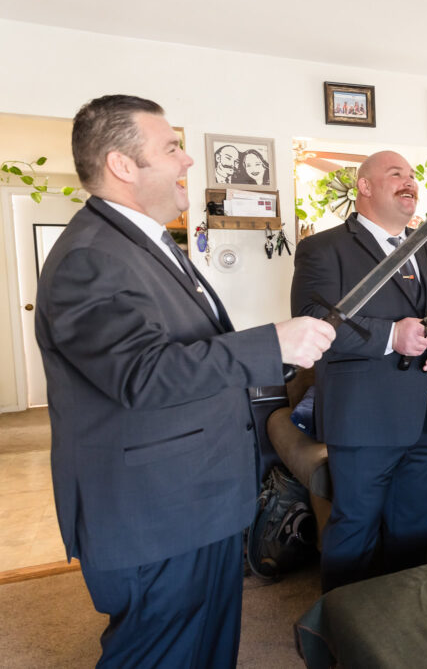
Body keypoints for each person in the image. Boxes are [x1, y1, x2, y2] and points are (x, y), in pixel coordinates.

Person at [35, 94, 335, 667]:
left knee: (207, 649)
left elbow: (189, 350)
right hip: (155, 514)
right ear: (123, 166)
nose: (188, 161)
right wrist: (272, 342)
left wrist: (279, 350)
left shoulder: (145, 243)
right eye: (172, 147)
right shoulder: (90, 256)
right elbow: (142, 373)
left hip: (198, 501)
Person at [290, 150, 427, 592]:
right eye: (395, 173)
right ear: (364, 186)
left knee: (412, 535)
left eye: (413, 175)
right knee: (354, 533)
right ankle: (340, 639)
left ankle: (397, 633)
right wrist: (389, 335)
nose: (409, 181)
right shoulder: (323, 248)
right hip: (364, 422)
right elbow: (310, 318)